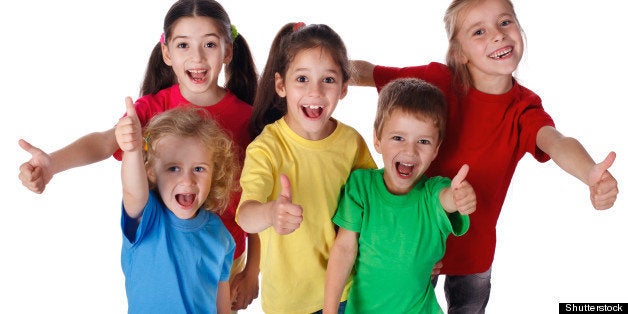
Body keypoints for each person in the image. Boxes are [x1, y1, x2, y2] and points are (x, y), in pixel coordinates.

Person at [349, 0, 619, 312]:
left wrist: (590, 173)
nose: (497, 35)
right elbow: (372, 74)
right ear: (459, 52)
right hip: (416, 243)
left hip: (473, 253)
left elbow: (555, 141)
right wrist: (331, 71)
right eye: (479, 31)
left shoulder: (523, 108)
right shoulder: (437, 80)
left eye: (505, 22)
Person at [16, 0, 260, 310]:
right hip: (162, 249)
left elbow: (256, 194)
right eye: (183, 44)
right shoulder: (150, 110)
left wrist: (253, 268)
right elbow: (105, 142)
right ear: (167, 52)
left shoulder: (247, 118)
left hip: (223, 254)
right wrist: (52, 164)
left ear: (227, 50)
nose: (197, 57)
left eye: (209, 44)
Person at [236, 22, 376, 314]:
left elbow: (376, 204)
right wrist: (270, 213)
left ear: (344, 88)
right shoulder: (267, 148)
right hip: (290, 302)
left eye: (328, 80)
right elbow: (246, 216)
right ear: (280, 85)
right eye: (302, 78)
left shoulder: (351, 143)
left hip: (347, 290)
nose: (315, 91)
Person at [324, 78, 477, 314]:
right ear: (377, 139)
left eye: (423, 141)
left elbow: (445, 199)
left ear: (436, 149)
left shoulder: (434, 192)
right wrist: (330, 310)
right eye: (398, 138)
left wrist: (458, 197)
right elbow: (344, 249)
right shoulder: (361, 187)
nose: (410, 150)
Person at [116, 105, 236, 313]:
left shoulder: (220, 234)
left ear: (214, 172)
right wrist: (133, 150)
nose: (187, 179)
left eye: (199, 169)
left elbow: (220, 298)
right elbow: (133, 192)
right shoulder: (148, 217)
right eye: (173, 168)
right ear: (151, 172)